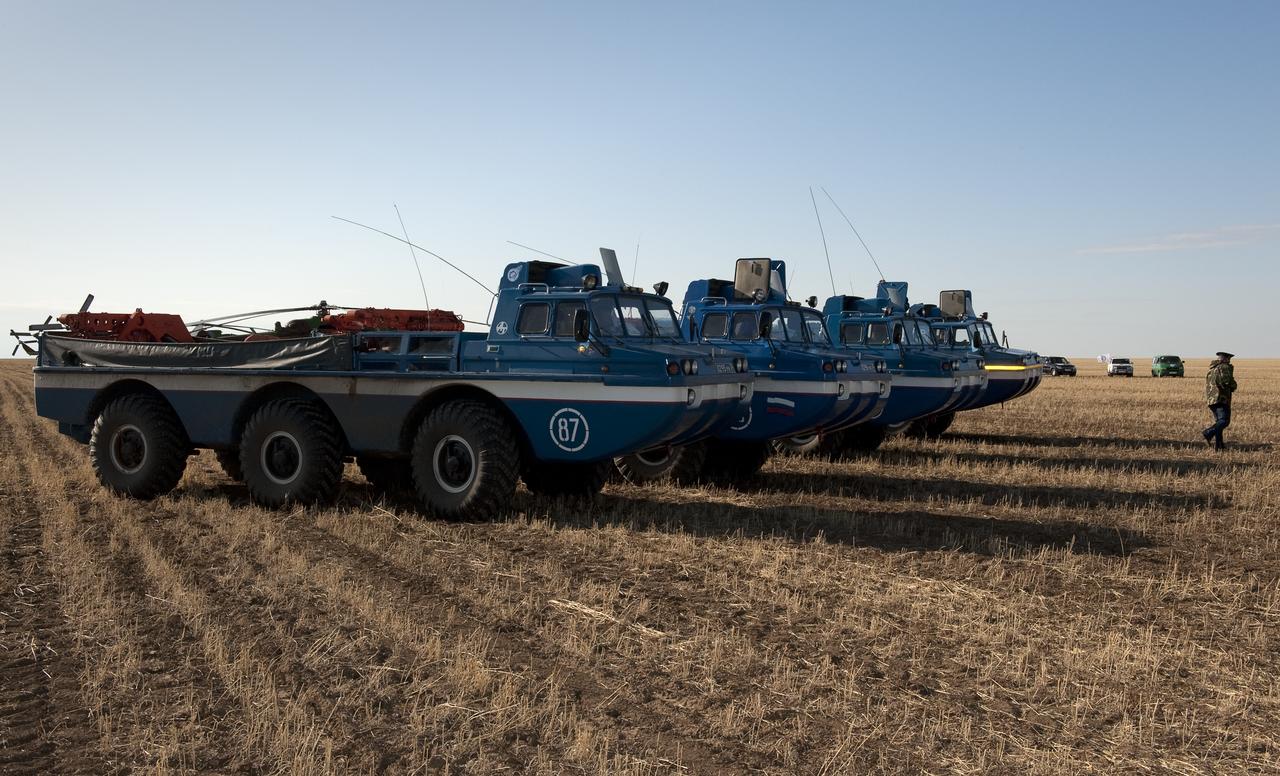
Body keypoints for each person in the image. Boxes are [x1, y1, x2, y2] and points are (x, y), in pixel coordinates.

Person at [1202, 351, 1238, 450]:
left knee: (1219, 423)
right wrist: (1234, 385)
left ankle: (1219, 446)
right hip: (1221, 399)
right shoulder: (1224, 367)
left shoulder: (1212, 369)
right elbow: (1227, 381)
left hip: (1212, 400)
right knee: (1224, 421)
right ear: (1224, 359)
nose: (1229, 361)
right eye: (1228, 359)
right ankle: (1208, 433)